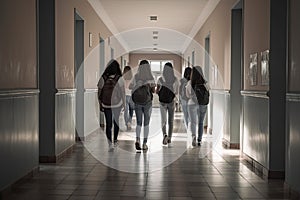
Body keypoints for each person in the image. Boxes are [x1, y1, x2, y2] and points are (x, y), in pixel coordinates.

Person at [97, 59, 125, 152]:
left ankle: (110, 144)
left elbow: (99, 92)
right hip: (117, 104)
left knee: (108, 124)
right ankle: (115, 140)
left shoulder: (103, 78)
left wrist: (100, 104)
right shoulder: (119, 78)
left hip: (106, 104)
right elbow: (123, 92)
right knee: (116, 122)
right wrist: (124, 104)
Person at [129, 60, 156, 151]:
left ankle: (137, 139)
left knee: (139, 123)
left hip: (137, 102)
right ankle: (144, 143)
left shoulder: (136, 76)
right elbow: (153, 91)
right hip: (148, 102)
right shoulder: (150, 77)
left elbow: (130, 87)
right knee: (146, 124)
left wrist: (137, 85)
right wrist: (150, 85)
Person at [156, 62, 179, 146]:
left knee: (163, 120)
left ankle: (164, 135)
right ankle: (169, 138)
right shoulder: (175, 79)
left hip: (162, 102)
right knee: (171, 121)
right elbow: (176, 91)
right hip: (171, 101)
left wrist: (161, 93)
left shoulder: (160, 79)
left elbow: (156, 91)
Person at [186, 66, 208, 146]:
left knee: (193, 122)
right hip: (203, 104)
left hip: (192, 103)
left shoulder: (189, 83)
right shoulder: (205, 83)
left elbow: (187, 95)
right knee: (201, 122)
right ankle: (199, 140)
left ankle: (193, 137)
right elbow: (208, 93)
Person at [123, 66, 135, 130]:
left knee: (126, 110)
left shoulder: (122, 78)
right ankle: (129, 122)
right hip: (131, 96)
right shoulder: (132, 78)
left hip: (124, 96)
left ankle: (127, 123)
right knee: (131, 110)